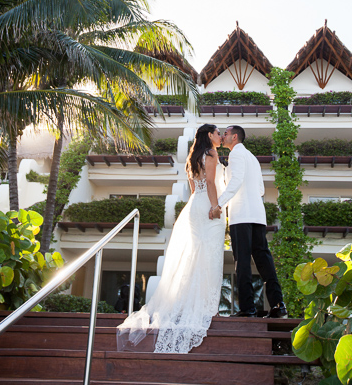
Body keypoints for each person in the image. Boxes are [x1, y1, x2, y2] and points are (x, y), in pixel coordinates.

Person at [116, 124, 225, 354]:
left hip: (193, 206)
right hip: (207, 205)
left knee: (195, 255)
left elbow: (195, 187)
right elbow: (212, 184)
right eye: (217, 133)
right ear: (209, 135)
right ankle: (206, 307)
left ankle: (188, 304)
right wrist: (215, 207)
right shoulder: (211, 154)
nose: (220, 137)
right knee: (210, 256)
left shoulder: (193, 157)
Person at [214, 125, 286, 318]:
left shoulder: (236, 155)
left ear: (235, 137)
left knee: (242, 261)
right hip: (257, 215)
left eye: (226, 134)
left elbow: (235, 181)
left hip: (242, 215)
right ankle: (278, 305)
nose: (223, 136)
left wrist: (219, 204)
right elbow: (261, 189)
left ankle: (247, 308)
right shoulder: (252, 158)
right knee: (264, 260)